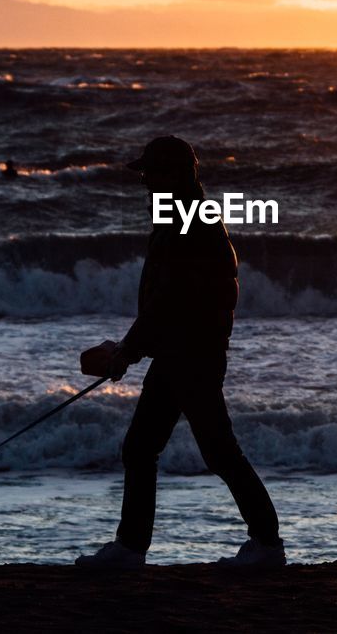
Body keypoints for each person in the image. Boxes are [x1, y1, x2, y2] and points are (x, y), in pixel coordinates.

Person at [74, 135, 284, 568]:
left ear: (176, 175)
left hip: (193, 356)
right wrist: (134, 348)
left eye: (152, 172)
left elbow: (171, 301)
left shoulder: (188, 224)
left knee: (216, 452)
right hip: (181, 353)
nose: (146, 181)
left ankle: (266, 545)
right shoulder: (185, 218)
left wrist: (128, 350)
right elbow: (169, 302)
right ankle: (132, 548)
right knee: (145, 448)